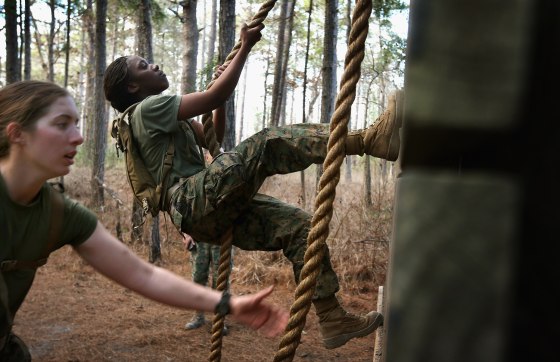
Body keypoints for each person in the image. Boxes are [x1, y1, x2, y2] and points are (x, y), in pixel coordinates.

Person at [103, 22, 402, 350]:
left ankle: (331, 317)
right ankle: (367, 140)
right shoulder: (147, 109)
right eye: (143, 66)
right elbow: (218, 94)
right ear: (133, 86)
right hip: (193, 199)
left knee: (300, 227)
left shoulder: (158, 118)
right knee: (269, 142)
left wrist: (219, 95)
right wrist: (244, 47)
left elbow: (215, 138)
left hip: (200, 212)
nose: (154, 65)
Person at [0, 80, 289, 360]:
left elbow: (143, 274)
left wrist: (228, 304)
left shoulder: (61, 214)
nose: (78, 136)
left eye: (76, 123)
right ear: (17, 134)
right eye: (62, 124)